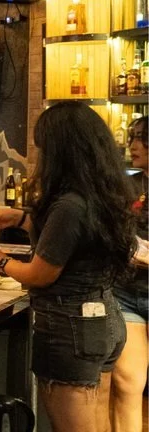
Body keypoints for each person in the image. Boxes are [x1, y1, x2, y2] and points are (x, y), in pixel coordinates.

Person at [0, 103, 134, 432]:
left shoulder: (70, 205)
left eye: (43, 148)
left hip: (70, 327)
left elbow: (41, 274)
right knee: (97, 423)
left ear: (61, 151)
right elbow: (73, 241)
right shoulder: (97, 195)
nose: (39, 156)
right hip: (102, 319)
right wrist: (21, 217)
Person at [111, 116, 148, 432]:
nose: (133, 145)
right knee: (127, 382)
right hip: (126, 291)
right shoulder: (128, 185)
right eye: (133, 137)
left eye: (142, 139)